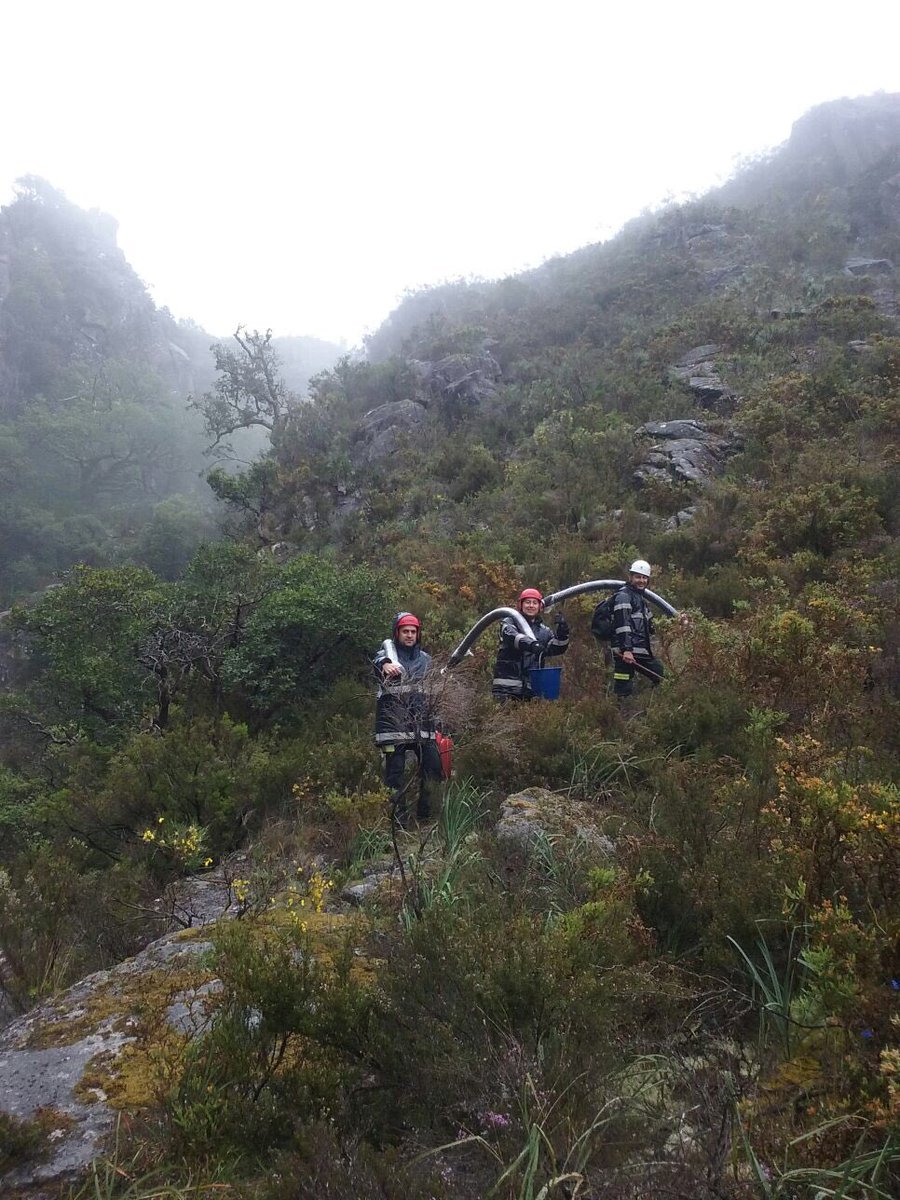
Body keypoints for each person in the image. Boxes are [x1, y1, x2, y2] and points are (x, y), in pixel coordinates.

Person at [372, 612, 443, 825]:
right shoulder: (386, 656)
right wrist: (385, 665)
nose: (410, 635)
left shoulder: (426, 660)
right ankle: (398, 822)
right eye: (405, 631)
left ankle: (425, 817)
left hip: (423, 726)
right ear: (397, 633)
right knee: (395, 775)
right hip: (394, 727)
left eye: (413, 632)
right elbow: (378, 663)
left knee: (433, 768)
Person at [492, 588, 569, 701]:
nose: (531, 606)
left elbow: (556, 648)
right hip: (506, 690)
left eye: (534, 603)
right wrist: (532, 644)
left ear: (540, 607)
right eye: (527, 602)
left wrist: (563, 630)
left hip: (530, 691)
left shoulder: (544, 631)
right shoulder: (509, 622)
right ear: (521, 605)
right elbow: (512, 636)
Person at [610, 559, 664, 700]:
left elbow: (652, 626)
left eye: (644, 577)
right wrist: (626, 650)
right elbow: (623, 624)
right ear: (631, 577)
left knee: (661, 675)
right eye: (638, 577)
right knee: (623, 687)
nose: (641, 580)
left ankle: (651, 705)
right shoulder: (624, 596)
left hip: (639, 650)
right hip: (625, 651)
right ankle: (618, 715)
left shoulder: (640, 599)